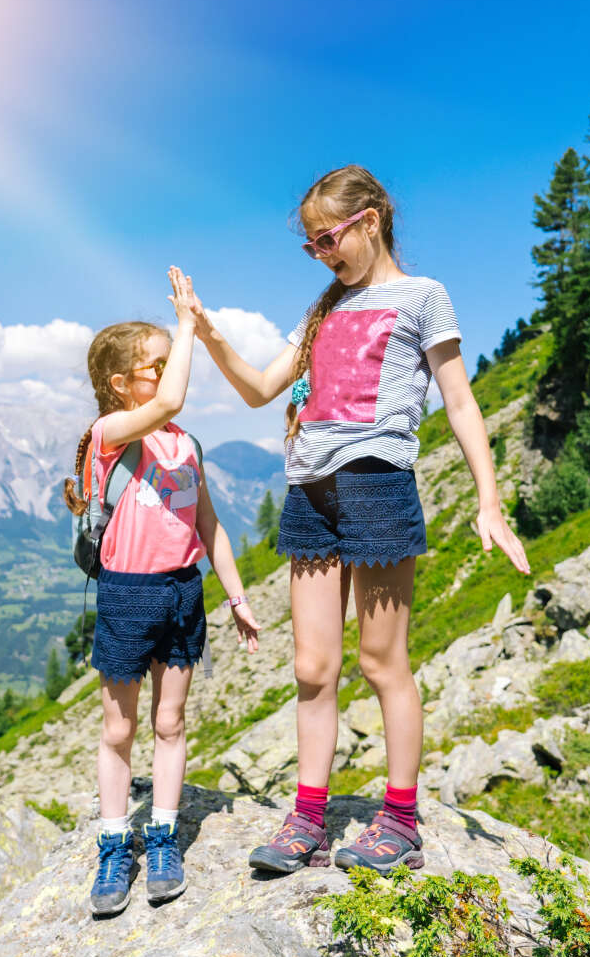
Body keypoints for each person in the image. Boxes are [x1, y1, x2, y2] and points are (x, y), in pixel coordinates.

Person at [184, 166, 531, 873]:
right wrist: (208, 333)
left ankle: (400, 819)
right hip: (310, 490)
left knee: (381, 661)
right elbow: (258, 391)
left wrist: (488, 500)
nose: (322, 255)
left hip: (378, 487)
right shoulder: (319, 311)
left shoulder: (423, 297)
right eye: (311, 247)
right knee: (313, 666)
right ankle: (308, 818)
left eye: (328, 239)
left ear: (370, 220)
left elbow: (461, 403)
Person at [61, 266, 262, 916]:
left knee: (169, 722)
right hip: (125, 594)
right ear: (120, 384)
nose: (172, 370)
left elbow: (210, 528)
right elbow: (169, 402)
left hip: (182, 592)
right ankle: (114, 845)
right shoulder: (107, 436)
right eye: (159, 364)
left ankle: (163, 836)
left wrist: (235, 597)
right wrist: (184, 322)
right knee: (119, 727)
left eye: (172, 361)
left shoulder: (186, 445)